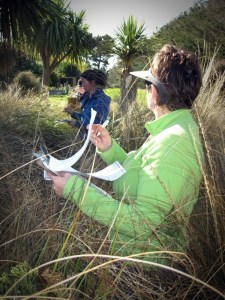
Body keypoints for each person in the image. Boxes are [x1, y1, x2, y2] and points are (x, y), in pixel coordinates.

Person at [48, 45, 204, 263]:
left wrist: (74, 189)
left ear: (157, 91)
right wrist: (110, 149)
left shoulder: (174, 142)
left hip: (143, 266)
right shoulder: (171, 129)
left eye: (147, 83)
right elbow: (141, 172)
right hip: (135, 257)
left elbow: (141, 225)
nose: (147, 89)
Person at [63, 69, 111, 135]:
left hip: (95, 141)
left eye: (83, 82)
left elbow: (96, 125)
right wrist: (73, 113)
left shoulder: (100, 101)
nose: (82, 85)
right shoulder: (89, 97)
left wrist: (76, 123)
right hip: (85, 138)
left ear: (92, 82)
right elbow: (85, 117)